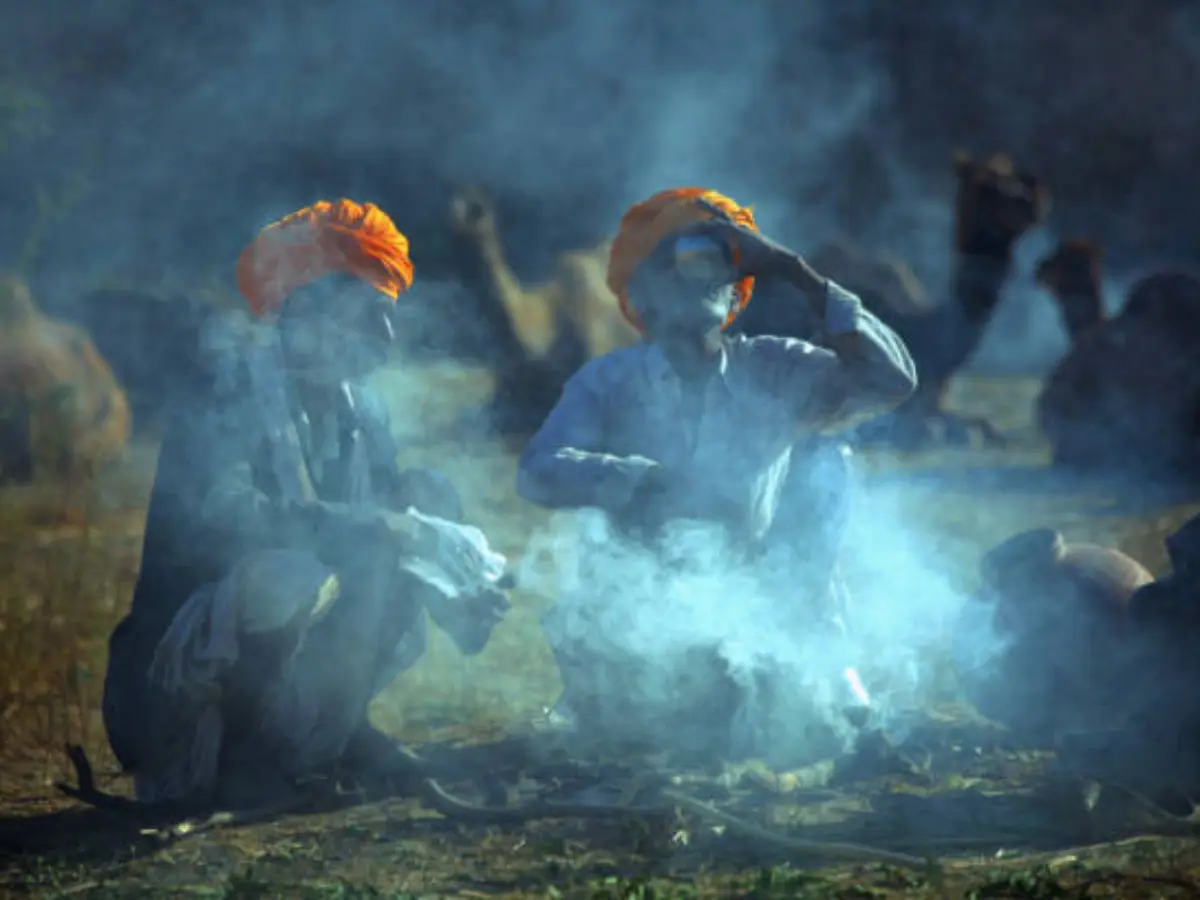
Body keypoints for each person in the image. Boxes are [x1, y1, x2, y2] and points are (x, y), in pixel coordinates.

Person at [102, 199, 511, 810]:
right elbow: (221, 516)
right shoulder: (228, 387)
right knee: (288, 572)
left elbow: (389, 546)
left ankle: (346, 733)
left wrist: (457, 587)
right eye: (372, 314)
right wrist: (382, 526)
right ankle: (243, 766)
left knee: (424, 498)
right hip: (175, 696)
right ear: (312, 310)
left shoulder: (362, 408)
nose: (387, 337)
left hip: (286, 678)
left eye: (389, 316)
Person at [514, 187, 918, 759]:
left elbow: (891, 382)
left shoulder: (776, 368)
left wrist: (796, 272)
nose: (693, 280)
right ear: (643, 299)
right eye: (673, 267)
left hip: (760, 611)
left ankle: (816, 672)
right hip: (645, 616)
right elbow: (536, 471)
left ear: (735, 296)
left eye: (711, 266)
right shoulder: (609, 382)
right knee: (674, 732)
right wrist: (637, 480)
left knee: (828, 462)